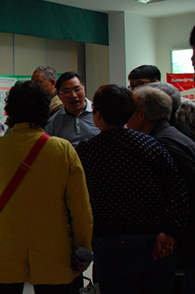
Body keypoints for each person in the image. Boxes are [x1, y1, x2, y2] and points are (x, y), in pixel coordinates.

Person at [0, 81, 93, 294]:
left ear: (10, 113)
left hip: (6, 246)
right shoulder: (62, 149)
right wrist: (83, 247)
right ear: (45, 111)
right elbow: (80, 208)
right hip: (54, 248)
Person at [76, 84, 188, 294]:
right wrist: (169, 231)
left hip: (109, 242)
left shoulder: (86, 152)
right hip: (154, 240)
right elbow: (177, 189)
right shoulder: (151, 145)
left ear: (97, 114)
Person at [128, 87, 195, 293]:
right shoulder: (176, 136)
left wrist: (169, 230)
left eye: (130, 112)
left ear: (141, 115)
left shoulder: (161, 145)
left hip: (181, 243)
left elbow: (181, 193)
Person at [45, 72, 99, 147]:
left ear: (84, 89)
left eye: (77, 89)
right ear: (59, 96)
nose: (73, 95)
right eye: (67, 92)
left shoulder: (99, 114)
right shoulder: (54, 122)